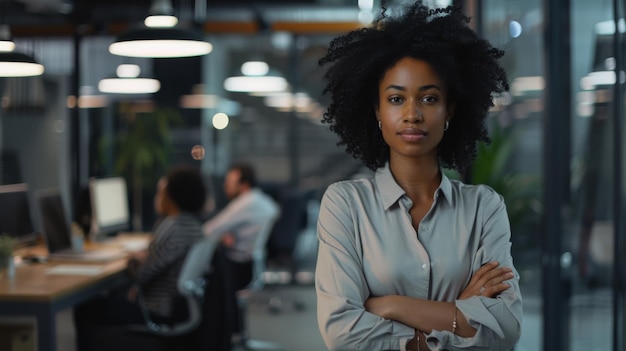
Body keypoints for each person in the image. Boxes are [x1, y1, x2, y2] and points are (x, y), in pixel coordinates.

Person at [314, 2, 522, 351]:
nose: (412, 114)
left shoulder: (484, 208)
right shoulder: (345, 205)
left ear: (449, 111)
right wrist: (460, 314)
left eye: (428, 98)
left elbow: (504, 330)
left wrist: (390, 306)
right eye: (396, 98)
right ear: (378, 110)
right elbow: (342, 333)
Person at [73, 165, 208, 351]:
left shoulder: (171, 226)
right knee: (110, 299)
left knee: (87, 308)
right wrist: (148, 256)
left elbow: (141, 275)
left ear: (173, 196)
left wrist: (133, 260)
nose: (158, 198)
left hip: (158, 311)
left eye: (162, 192)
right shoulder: (193, 225)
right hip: (178, 308)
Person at [202, 162, 280, 290]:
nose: (225, 187)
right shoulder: (261, 200)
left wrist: (220, 237)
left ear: (244, 185)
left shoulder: (244, 203)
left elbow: (208, 230)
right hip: (253, 263)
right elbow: (275, 211)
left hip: (238, 266)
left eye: (229, 183)